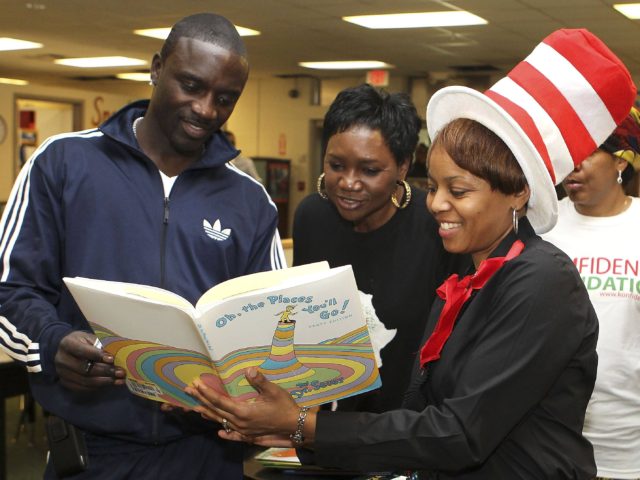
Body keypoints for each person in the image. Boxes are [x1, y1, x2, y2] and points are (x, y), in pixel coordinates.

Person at [184, 29, 637, 479]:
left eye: (458, 191)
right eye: (434, 186)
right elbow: (419, 410)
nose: (437, 204)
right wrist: (297, 430)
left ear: (517, 193)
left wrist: (304, 425)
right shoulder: (469, 281)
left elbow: (459, 433)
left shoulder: (541, 281)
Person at [0, 12, 285, 480]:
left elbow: (272, 321)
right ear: (156, 69)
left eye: (225, 98)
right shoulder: (64, 163)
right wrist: (51, 345)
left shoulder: (249, 200)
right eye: (191, 86)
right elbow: (10, 289)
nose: (207, 110)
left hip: (208, 457)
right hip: (92, 453)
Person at [292, 83, 461, 412]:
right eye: (336, 166)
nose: (349, 183)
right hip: (323, 427)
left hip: (404, 429)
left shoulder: (435, 227)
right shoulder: (312, 217)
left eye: (369, 171)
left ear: (402, 167)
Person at [543, 108, 640, 480]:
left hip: (627, 447)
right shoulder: (543, 226)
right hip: (551, 441)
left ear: (620, 159)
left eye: (587, 152)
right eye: (567, 152)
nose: (573, 165)